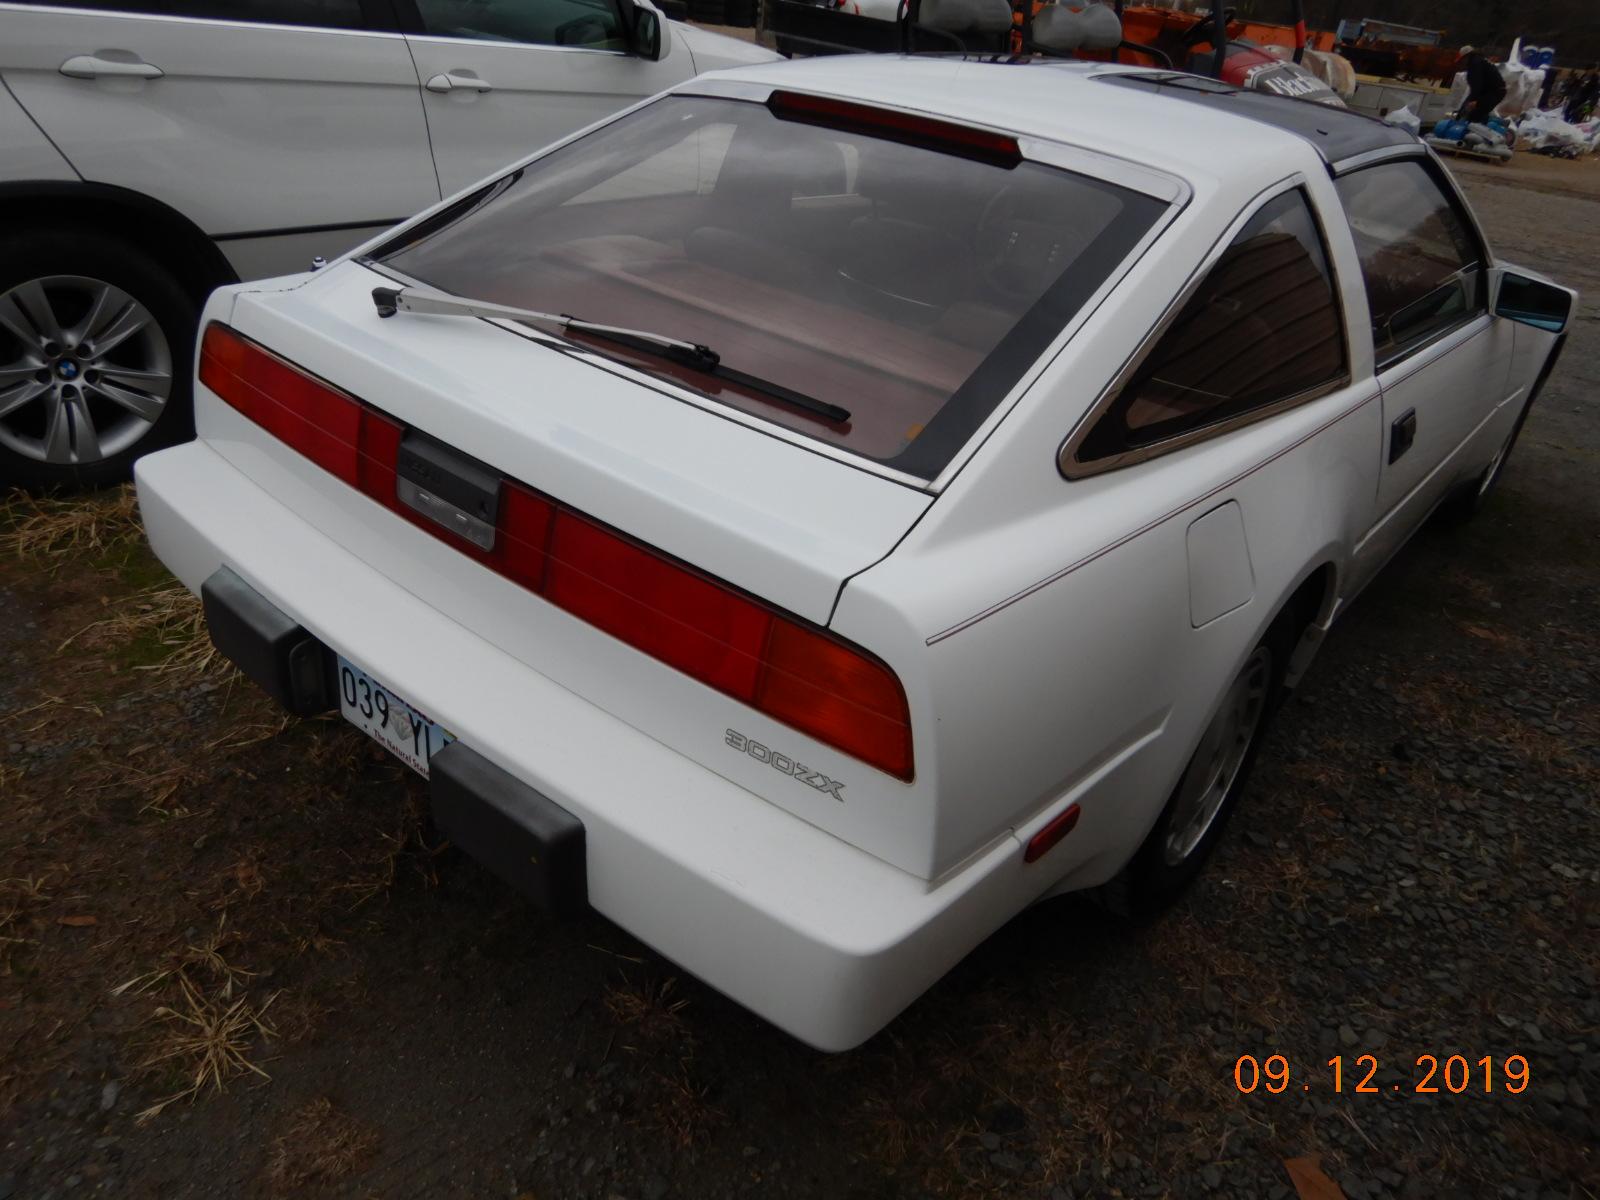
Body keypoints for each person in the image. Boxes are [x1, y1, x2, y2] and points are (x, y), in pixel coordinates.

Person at [1457, 45, 1507, 123]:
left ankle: (1477, 131)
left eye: (1463, 59)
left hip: (1493, 92)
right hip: (1491, 92)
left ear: (1467, 56)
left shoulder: (1476, 64)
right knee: (1466, 111)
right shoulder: (1479, 61)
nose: (1462, 62)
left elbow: (1477, 84)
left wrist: (1473, 100)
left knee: (1474, 115)